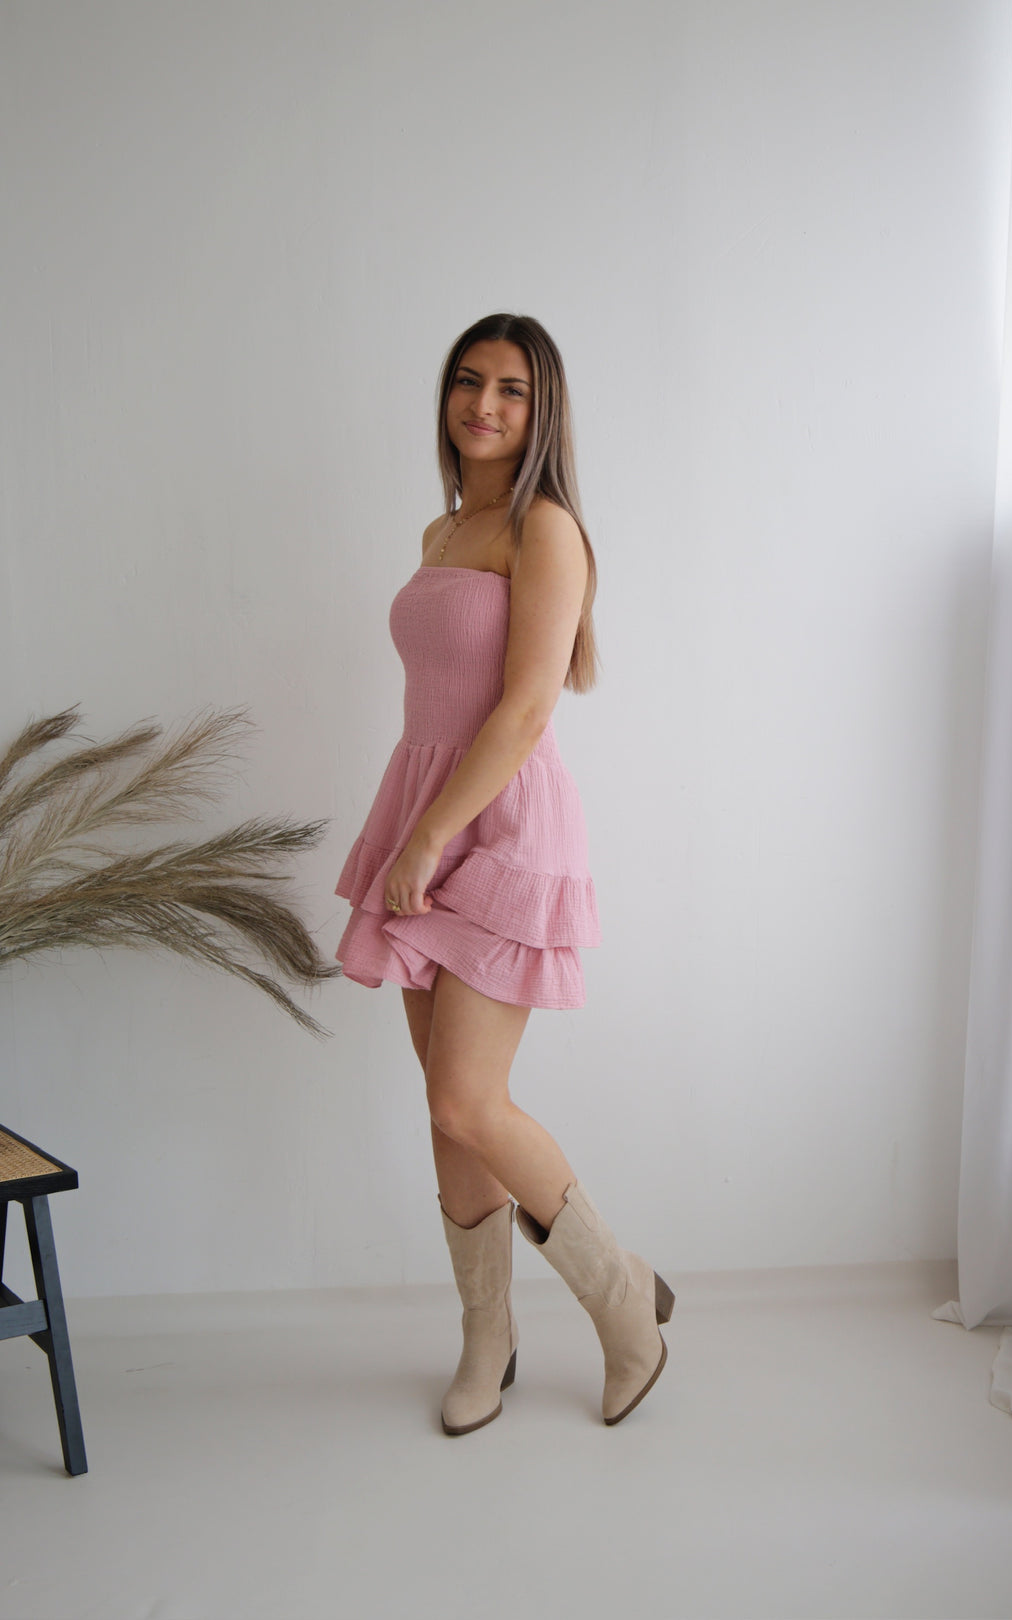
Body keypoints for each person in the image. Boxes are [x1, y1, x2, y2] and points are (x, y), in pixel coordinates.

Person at [334, 312, 673, 1434]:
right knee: (450, 1113)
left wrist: (431, 837)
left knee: (466, 1098)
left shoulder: (546, 529)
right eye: (469, 381)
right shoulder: (444, 530)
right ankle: (489, 1336)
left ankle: (623, 1302)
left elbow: (527, 708)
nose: (485, 404)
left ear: (543, 410)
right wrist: (416, 825)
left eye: (512, 389)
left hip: (501, 823)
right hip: (427, 806)